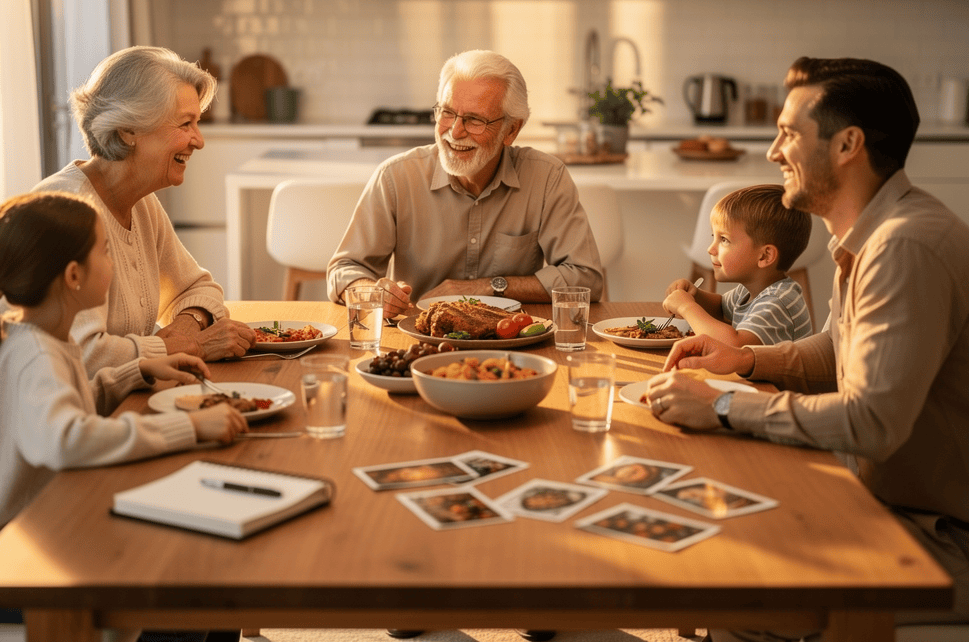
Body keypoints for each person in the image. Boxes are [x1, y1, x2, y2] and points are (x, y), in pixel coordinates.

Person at [644, 57, 969, 640]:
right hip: (885, 497)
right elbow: (836, 350)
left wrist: (722, 406)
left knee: (728, 573)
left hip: (937, 532)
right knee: (709, 509)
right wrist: (743, 361)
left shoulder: (904, 247)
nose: (772, 152)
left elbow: (871, 422)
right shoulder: (869, 236)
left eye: (789, 133)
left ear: (848, 145)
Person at [0, 192, 248, 630]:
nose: (115, 260)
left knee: (196, 558)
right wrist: (190, 427)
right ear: (73, 276)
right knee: (183, 577)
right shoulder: (34, 355)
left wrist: (135, 372)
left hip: (28, 540)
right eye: (105, 251)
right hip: (0, 567)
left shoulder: (37, 337)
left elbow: (66, 402)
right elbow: (67, 440)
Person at [326, 49, 604, 317]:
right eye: (447, 112)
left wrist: (484, 287)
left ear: (511, 130)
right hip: (418, 337)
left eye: (475, 120)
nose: (455, 132)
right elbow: (345, 269)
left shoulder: (546, 178)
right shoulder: (395, 177)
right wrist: (372, 292)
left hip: (509, 335)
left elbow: (586, 279)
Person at [34, 46, 255, 376]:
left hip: (121, 404)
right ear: (128, 130)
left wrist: (183, 330)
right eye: (185, 124)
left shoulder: (141, 204)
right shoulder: (63, 212)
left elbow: (199, 290)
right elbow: (82, 357)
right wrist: (190, 347)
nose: (198, 140)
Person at [662, 183, 813, 346]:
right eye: (714, 237)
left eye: (724, 240)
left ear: (764, 255)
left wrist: (687, 307)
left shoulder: (778, 302)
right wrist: (694, 295)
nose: (711, 249)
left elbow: (735, 346)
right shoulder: (750, 291)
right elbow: (721, 309)